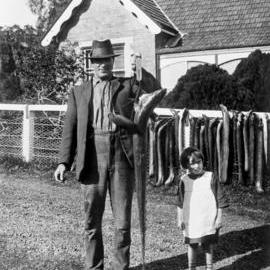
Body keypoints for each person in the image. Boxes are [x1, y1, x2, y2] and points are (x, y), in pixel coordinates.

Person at [54, 39, 141, 270]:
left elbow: (152, 91)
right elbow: (69, 128)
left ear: (113, 61)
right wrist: (64, 162)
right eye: (98, 61)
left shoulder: (127, 86)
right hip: (91, 157)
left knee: (122, 223)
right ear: (92, 64)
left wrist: (140, 69)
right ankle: (94, 267)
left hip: (122, 157)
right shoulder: (78, 92)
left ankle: (121, 267)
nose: (103, 64)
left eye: (107, 60)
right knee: (92, 221)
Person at [176, 147, 229, 270]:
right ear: (186, 165)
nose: (196, 166)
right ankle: (191, 267)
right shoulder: (184, 180)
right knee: (192, 244)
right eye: (192, 163)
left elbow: (220, 199)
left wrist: (218, 219)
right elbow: (179, 202)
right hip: (192, 219)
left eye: (198, 162)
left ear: (202, 161)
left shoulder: (210, 177)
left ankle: (209, 267)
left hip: (208, 218)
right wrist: (180, 219)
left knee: (208, 244)